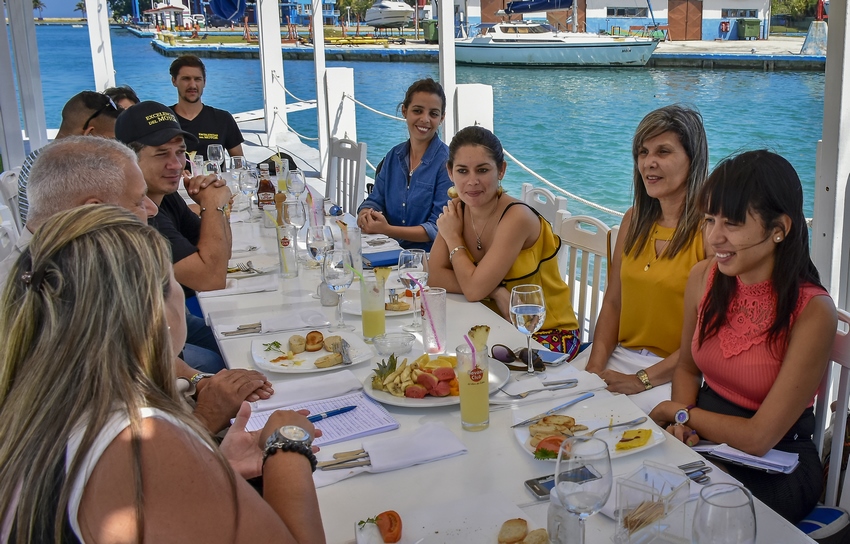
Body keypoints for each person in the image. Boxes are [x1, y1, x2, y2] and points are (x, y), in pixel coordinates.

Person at [0, 206, 326, 542]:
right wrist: (287, 443)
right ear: (154, 312)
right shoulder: (138, 436)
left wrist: (213, 465)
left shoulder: (36, 407)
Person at [0, 136, 271, 433]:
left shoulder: (84, 265)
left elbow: (139, 351)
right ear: (93, 210)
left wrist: (197, 381)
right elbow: (104, 460)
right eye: (137, 200)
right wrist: (207, 418)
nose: (151, 209)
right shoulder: (42, 300)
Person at [649, 150, 836, 524]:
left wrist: (680, 412)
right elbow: (687, 367)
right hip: (705, 441)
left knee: (686, 512)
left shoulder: (812, 311)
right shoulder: (704, 278)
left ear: (779, 228)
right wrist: (683, 425)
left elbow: (758, 438)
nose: (714, 236)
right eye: (709, 219)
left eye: (732, 223)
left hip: (777, 464)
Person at [572, 105, 711, 413]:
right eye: (643, 152)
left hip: (677, 372)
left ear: (693, 159)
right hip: (617, 356)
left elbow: (708, 336)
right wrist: (594, 368)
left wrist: (640, 380)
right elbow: (613, 304)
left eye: (663, 151)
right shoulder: (633, 220)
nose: (649, 163)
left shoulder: (710, 232)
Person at [430, 126, 581, 356]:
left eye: (482, 170)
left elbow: (473, 290)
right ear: (450, 172)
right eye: (463, 171)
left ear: (501, 170)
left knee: (470, 371)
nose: (472, 181)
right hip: (495, 326)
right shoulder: (458, 210)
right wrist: (497, 291)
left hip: (546, 334)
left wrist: (452, 238)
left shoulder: (516, 218)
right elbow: (435, 277)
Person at [116, 101, 233, 373]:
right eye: (161, 154)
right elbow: (210, 279)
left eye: (180, 152)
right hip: (139, 342)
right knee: (221, 360)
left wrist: (215, 207)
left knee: (234, 338)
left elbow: (221, 255)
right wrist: (214, 206)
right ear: (129, 159)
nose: (175, 164)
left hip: (163, 314)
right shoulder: (140, 215)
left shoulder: (164, 197)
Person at [356, 78, 452, 251]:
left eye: (433, 114)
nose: (425, 119)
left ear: (442, 118)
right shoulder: (394, 156)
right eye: (417, 110)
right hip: (387, 249)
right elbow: (374, 200)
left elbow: (437, 228)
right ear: (404, 111)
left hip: (427, 259)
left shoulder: (447, 164)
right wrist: (365, 214)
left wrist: (387, 230)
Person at [16, 90, 122, 225]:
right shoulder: (67, 171)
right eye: (111, 140)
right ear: (89, 134)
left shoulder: (35, 158)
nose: (113, 147)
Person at [169, 55, 245, 159]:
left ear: (204, 82)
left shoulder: (223, 119)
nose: (192, 85)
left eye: (197, 79)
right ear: (174, 81)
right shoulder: (164, 120)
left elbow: (239, 164)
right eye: (186, 79)